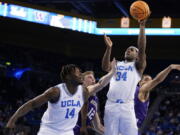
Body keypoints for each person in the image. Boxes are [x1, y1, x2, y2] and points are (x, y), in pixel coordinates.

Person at [6, 61, 116, 135]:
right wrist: (12, 120)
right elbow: (31, 104)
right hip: (50, 131)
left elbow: (101, 84)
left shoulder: (83, 92)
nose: (80, 75)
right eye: (78, 73)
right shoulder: (55, 92)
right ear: (69, 77)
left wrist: (112, 72)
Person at [102, 20, 147, 135]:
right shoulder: (117, 63)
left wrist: (142, 26)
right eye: (128, 49)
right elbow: (105, 67)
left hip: (127, 106)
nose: (129, 50)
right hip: (111, 105)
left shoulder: (138, 66)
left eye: (132, 50)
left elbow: (141, 47)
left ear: (138, 56)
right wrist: (109, 48)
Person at [135, 64, 180, 131]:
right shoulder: (141, 90)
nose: (149, 82)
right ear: (140, 82)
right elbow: (157, 80)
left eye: (150, 80)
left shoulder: (140, 92)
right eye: (146, 79)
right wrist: (170, 67)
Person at [73, 71, 104, 135]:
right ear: (83, 81)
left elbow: (99, 127)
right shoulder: (83, 91)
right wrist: (112, 73)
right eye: (89, 77)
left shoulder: (95, 100)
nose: (93, 79)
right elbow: (101, 85)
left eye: (93, 78)